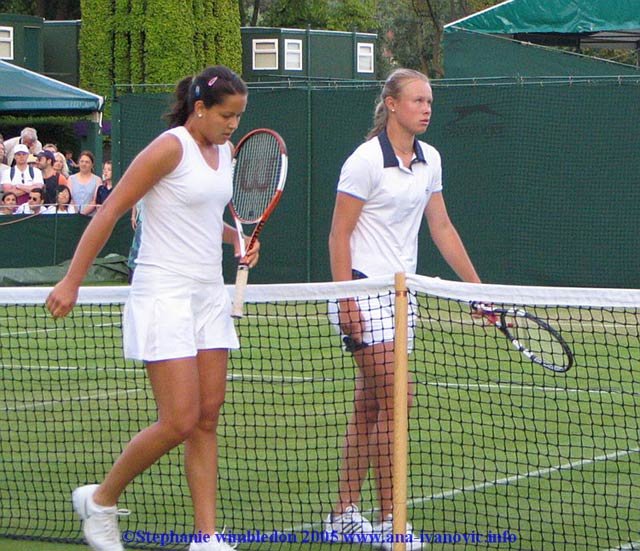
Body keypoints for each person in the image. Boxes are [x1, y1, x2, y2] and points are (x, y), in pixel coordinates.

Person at [46, 65, 255, 551]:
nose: (233, 126)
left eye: (239, 117)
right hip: (164, 291)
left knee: (207, 416)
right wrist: (72, 281)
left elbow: (203, 216)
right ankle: (100, 500)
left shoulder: (223, 151)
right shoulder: (168, 148)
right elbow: (112, 208)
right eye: (226, 115)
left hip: (208, 293)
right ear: (199, 108)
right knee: (179, 419)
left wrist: (236, 238)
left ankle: (205, 538)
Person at [325, 68, 482, 550]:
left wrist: (476, 288)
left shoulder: (430, 159)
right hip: (360, 291)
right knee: (399, 399)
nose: (426, 107)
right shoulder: (364, 162)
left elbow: (442, 227)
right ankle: (393, 521)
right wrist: (345, 300)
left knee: (370, 406)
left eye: (429, 100)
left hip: (400, 298)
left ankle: (343, 513)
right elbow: (339, 235)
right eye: (417, 100)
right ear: (391, 104)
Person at [69, 150, 102, 216]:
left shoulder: (98, 180)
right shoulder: (71, 179)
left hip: (90, 218)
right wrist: (76, 213)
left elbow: (95, 200)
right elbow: (70, 198)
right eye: (82, 161)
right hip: (73, 216)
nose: (84, 164)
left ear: (92, 164)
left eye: (87, 162)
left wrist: (82, 214)